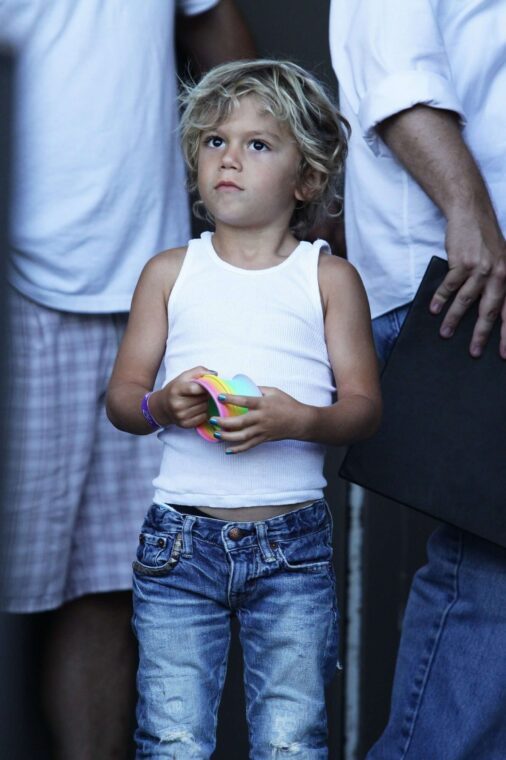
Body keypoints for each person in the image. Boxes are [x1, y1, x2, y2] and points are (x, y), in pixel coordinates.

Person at [106, 59, 381, 758]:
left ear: (306, 178)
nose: (229, 158)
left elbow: (364, 410)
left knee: (292, 739)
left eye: (258, 144)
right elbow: (122, 402)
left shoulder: (328, 278)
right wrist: (163, 404)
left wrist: (301, 421)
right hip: (178, 544)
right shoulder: (170, 273)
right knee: (171, 737)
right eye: (214, 141)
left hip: (292, 547)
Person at [0, 2, 254, 758]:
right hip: (18, 290)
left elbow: (214, 30)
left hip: (149, 288)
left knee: (111, 588)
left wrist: (279, 175)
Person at [329, 1, 506, 757]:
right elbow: (397, 77)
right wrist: (472, 216)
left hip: (480, 280)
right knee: (488, 575)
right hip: (461, 282)